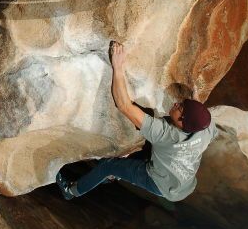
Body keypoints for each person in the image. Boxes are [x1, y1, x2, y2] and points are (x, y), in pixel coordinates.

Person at [56, 40, 217, 202]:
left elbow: (124, 105)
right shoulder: (206, 128)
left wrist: (118, 67)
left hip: (160, 183)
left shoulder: (164, 133)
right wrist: (195, 92)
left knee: (109, 165)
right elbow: (200, 111)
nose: (176, 103)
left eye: (180, 107)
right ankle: (118, 172)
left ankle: (72, 191)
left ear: (182, 122)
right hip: (184, 184)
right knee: (145, 150)